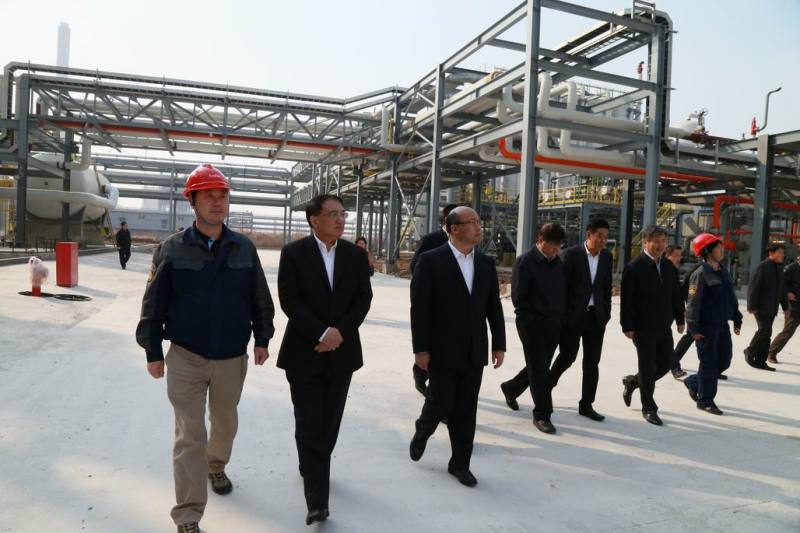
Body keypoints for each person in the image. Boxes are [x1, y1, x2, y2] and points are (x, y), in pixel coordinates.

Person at [136, 164, 275, 533]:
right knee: (189, 436)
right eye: (209, 195)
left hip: (231, 357)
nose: (218, 202)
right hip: (186, 357)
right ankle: (188, 514)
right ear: (193, 201)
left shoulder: (243, 247)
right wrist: (152, 350)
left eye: (223, 195)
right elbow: (153, 303)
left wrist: (262, 337)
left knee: (225, 422)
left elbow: (259, 297)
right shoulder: (172, 249)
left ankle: (216, 466)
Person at [276, 194, 372, 525]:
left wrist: (338, 333)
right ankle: (317, 501)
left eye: (343, 214)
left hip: (342, 352)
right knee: (309, 422)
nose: (340, 220)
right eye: (333, 214)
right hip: (304, 352)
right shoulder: (293, 253)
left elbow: (363, 299)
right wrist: (320, 333)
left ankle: (312, 464)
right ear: (313, 219)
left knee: (329, 423)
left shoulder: (354, 256)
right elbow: (289, 299)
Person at [409, 206, 505, 487]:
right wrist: (421, 349)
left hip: (475, 348)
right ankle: (423, 428)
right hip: (441, 347)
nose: (479, 227)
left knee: (466, 408)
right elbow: (420, 309)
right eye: (471, 222)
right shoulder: (430, 260)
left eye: (479, 221)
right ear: (453, 228)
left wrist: (499, 344)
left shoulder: (485, 263)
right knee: (440, 401)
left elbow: (494, 307)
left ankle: (460, 464)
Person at [500, 223, 566, 434]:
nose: (555, 249)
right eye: (551, 245)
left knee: (540, 366)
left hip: (553, 324)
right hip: (532, 325)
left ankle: (511, 388)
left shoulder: (558, 263)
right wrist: (530, 321)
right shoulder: (525, 262)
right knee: (540, 370)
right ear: (540, 240)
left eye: (558, 245)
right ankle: (542, 414)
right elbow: (519, 298)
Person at [548, 218, 613, 422]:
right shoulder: (571, 255)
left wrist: (606, 313)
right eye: (599, 236)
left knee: (592, 362)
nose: (603, 241)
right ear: (589, 234)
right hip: (573, 317)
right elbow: (561, 288)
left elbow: (606, 287)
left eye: (606, 237)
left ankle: (586, 404)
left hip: (596, 317)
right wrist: (564, 315)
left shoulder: (607, 257)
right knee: (567, 357)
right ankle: (545, 389)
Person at [620, 225, 685, 426]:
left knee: (665, 364)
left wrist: (680, 318)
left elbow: (675, 294)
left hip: (664, 325)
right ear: (646, 242)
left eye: (663, 241)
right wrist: (627, 325)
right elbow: (627, 300)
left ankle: (633, 381)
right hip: (643, 327)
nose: (660, 245)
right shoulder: (634, 267)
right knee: (647, 367)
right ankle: (649, 408)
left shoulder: (668, 267)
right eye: (656, 241)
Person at [683, 233, 742, 415]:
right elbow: (693, 303)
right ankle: (705, 400)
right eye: (718, 247)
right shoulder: (701, 273)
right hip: (706, 327)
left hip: (722, 325)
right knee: (708, 363)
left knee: (724, 360)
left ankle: (693, 382)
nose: (722, 250)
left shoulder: (722, 271)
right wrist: (693, 328)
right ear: (707, 251)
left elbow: (730, 297)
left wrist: (737, 317)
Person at [409, 203, 459, 395]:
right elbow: (415, 265)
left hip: (455, 303)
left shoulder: (466, 242)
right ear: (447, 220)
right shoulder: (432, 239)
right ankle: (421, 373)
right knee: (432, 341)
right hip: (432, 301)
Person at [745, 243, 789, 371]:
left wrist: (785, 308)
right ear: (771, 253)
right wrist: (751, 306)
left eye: (783, 252)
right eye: (779, 252)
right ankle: (750, 351)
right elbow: (753, 288)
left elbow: (782, 290)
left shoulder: (779, 268)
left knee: (767, 333)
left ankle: (760, 361)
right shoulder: (762, 267)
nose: (782, 255)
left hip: (772, 307)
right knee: (764, 330)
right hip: (760, 307)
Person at [767, 255, 800, 363]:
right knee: (788, 332)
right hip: (794, 306)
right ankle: (771, 352)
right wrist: (787, 293)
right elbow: (780, 282)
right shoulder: (791, 268)